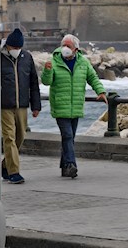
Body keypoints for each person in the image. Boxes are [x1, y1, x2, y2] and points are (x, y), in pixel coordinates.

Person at [0, 28, 41, 184]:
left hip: (22, 105)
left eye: (19, 48)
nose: (17, 51)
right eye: (14, 48)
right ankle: (14, 172)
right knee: (9, 138)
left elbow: (33, 83)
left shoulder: (27, 58)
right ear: (8, 46)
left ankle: (5, 165)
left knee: (21, 137)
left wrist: (36, 105)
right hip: (3, 105)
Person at [41, 34, 107, 178]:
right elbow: (47, 82)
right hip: (60, 105)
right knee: (68, 135)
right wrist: (46, 70)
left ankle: (64, 166)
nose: (65, 48)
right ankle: (71, 165)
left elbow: (93, 77)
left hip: (76, 106)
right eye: (63, 45)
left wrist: (100, 91)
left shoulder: (83, 62)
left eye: (68, 46)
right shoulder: (54, 61)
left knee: (69, 138)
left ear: (76, 49)